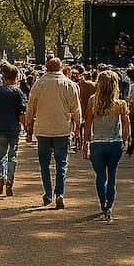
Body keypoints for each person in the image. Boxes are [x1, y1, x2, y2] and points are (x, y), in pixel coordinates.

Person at [24, 57, 81, 208]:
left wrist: (29, 124)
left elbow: (30, 106)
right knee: (62, 162)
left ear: (46, 68)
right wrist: (78, 124)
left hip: (43, 129)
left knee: (44, 164)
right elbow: (76, 107)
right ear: (61, 67)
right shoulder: (69, 84)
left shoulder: (38, 84)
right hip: (62, 128)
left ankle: (48, 193)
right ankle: (60, 193)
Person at [82, 71, 130, 222]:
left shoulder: (92, 101)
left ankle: (103, 203)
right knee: (113, 175)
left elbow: (88, 123)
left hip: (97, 143)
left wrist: (86, 142)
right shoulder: (120, 104)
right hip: (115, 143)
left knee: (100, 176)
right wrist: (125, 140)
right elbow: (126, 124)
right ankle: (109, 206)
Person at [0, 63, 27, 197]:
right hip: (13, 128)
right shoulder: (18, 92)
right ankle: (10, 179)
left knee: (0, 156)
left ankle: (1, 175)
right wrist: (26, 127)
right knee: (12, 155)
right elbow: (22, 113)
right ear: (16, 77)